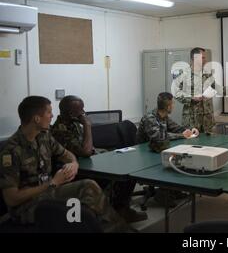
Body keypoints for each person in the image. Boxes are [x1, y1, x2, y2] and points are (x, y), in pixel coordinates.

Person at [0, 96, 124, 231]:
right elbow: (11, 199)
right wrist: (53, 183)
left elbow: (67, 155)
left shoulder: (44, 136)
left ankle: (117, 229)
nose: (52, 116)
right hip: (28, 207)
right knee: (82, 214)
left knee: (89, 186)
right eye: (48, 112)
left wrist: (74, 164)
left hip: (48, 194)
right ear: (37, 119)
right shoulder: (11, 150)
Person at [51, 95, 147, 223]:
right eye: (81, 110)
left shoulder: (73, 124)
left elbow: (90, 149)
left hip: (89, 162)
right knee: (121, 174)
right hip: (78, 171)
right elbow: (85, 151)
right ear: (71, 113)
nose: (84, 113)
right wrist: (87, 124)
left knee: (129, 167)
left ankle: (121, 208)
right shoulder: (60, 130)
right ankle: (117, 211)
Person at [136, 92, 198, 207]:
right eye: (173, 104)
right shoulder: (150, 118)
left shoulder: (164, 116)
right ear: (168, 107)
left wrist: (190, 130)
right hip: (145, 154)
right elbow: (159, 136)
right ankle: (162, 194)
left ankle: (172, 190)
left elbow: (177, 128)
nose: (173, 106)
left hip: (157, 150)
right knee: (171, 159)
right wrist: (182, 136)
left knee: (177, 158)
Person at [172, 47, 226, 133]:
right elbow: (176, 93)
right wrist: (191, 98)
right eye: (203, 58)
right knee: (192, 145)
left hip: (207, 120)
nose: (205, 60)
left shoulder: (207, 73)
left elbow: (217, 88)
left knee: (210, 145)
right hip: (192, 120)